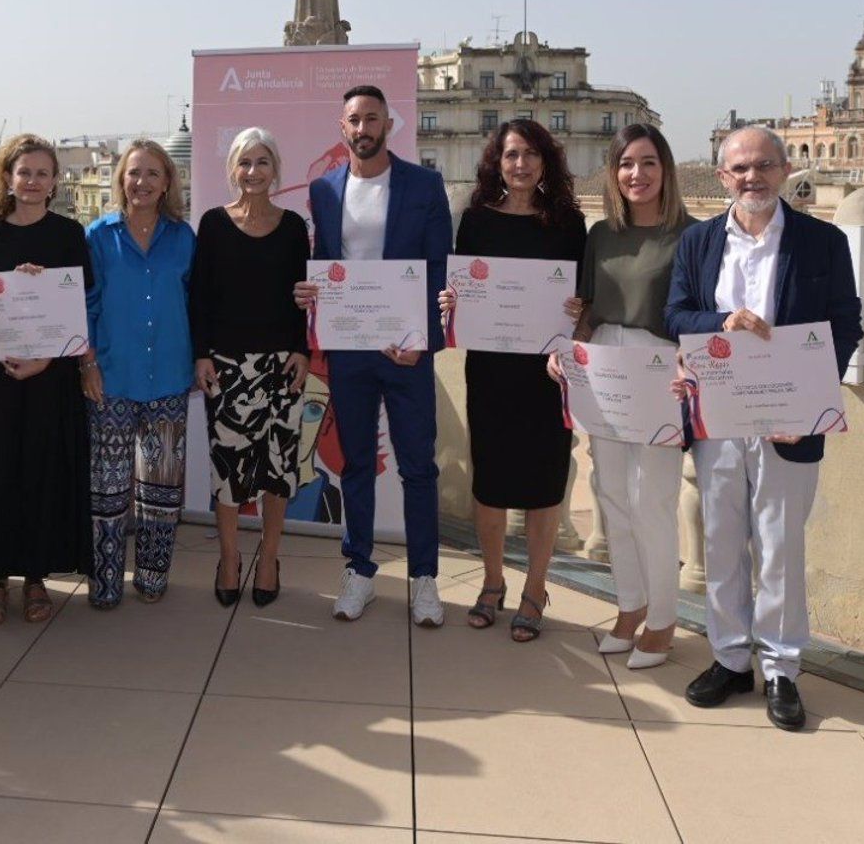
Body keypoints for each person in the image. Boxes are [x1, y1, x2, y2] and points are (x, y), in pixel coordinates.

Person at [665, 125, 861, 730]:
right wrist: (722, 320)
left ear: (784, 171)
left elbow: (845, 325)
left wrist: (806, 408)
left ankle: (781, 669)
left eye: (763, 166)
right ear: (722, 176)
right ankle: (728, 659)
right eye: (739, 169)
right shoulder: (697, 242)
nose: (752, 178)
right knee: (722, 543)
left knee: (779, 548)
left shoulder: (822, 241)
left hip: (787, 422)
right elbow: (674, 313)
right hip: (718, 418)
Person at [294, 85, 452, 627]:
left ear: (389, 124)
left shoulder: (425, 186)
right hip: (349, 350)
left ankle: (425, 578)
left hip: (406, 353)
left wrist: (424, 338)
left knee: (417, 468)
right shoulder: (324, 189)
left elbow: (440, 270)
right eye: (354, 121)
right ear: (343, 128)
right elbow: (325, 264)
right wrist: (310, 296)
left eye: (372, 119)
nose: (363, 129)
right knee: (355, 463)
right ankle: (359, 569)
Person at [439, 119, 584, 642]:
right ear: (496, 164)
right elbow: (461, 290)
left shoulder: (568, 223)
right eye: (510, 155)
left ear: (546, 161)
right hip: (493, 369)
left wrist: (576, 307)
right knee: (491, 480)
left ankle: (534, 590)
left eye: (530, 154)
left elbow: (582, 297)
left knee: (545, 484)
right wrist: (453, 306)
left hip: (547, 373)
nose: (520, 164)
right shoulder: (475, 221)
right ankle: (493, 581)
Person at [0, 134, 93, 625]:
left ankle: (35, 578)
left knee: (41, 475)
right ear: (7, 177)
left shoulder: (69, 233)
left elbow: (76, 306)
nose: (32, 181)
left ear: (54, 182)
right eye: (23, 172)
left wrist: (46, 355)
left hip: (49, 375)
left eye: (42, 173)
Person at [554, 123, 691, 668]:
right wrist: (570, 348)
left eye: (649, 162)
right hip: (605, 363)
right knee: (611, 492)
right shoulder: (601, 234)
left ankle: (664, 619)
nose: (638, 174)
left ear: (666, 169)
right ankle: (629, 606)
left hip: (660, 365)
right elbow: (588, 306)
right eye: (627, 164)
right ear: (614, 173)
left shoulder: (693, 235)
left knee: (652, 500)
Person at [191, 128, 310, 607]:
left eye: (262, 162)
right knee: (229, 473)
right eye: (245, 163)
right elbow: (199, 295)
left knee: (278, 472)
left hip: (284, 366)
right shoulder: (214, 224)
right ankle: (229, 558)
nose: (253, 172)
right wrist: (201, 354)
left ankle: (267, 558)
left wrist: (303, 350)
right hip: (226, 367)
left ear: (275, 169)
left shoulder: (294, 225)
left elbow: (307, 296)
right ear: (232, 170)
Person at [82, 139, 197, 607]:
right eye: (133, 172)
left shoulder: (184, 237)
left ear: (167, 181)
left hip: (169, 376)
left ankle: (151, 574)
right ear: (120, 179)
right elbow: (85, 304)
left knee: (162, 488)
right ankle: (105, 580)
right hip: (110, 377)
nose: (142, 182)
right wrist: (86, 362)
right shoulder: (97, 235)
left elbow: (196, 302)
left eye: (153, 173)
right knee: (107, 490)